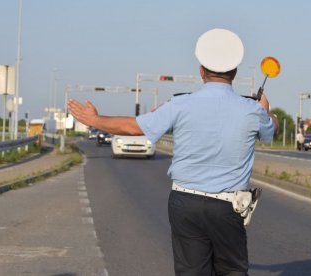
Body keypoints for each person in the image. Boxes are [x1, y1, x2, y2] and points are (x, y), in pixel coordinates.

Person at [68, 28, 278, 276]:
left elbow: (135, 128)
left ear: (201, 71)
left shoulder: (180, 104)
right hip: (227, 207)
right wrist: (266, 110)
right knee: (232, 271)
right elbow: (269, 131)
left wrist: (96, 120)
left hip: (184, 202)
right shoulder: (251, 111)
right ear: (235, 72)